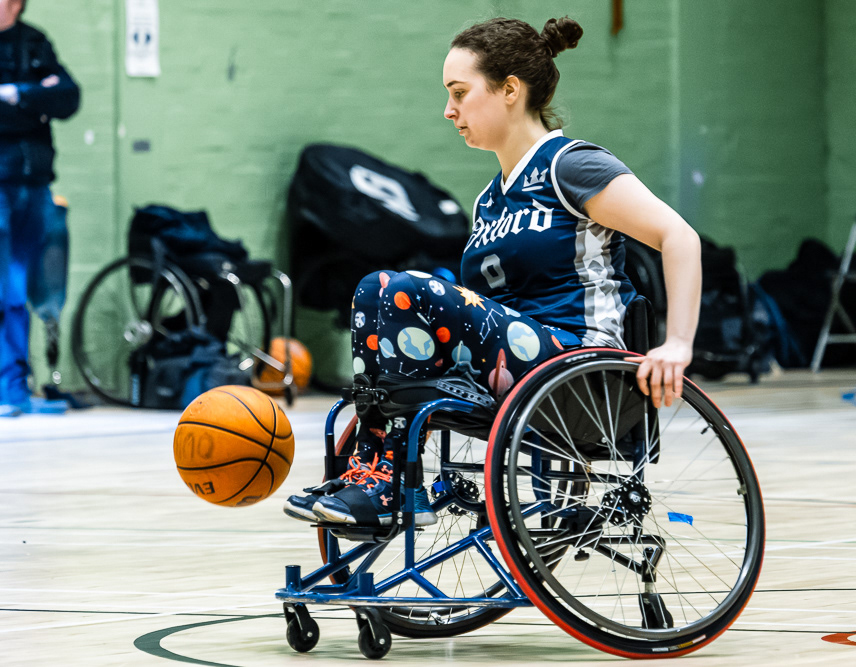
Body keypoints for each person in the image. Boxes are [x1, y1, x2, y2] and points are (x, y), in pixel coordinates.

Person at [285, 16, 701, 527]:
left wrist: (677, 343)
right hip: (519, 370)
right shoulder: (490, 199)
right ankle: (376, 472)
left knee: (389, 288)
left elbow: (679, 237)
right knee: (379, 299)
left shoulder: (570, 166)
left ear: (509, 90)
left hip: (580, 368)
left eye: (460, 93)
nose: (448, 110)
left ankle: (386, 485)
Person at [0, 0, 80, 417]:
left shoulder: (34, 44)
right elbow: (44, 102)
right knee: (6, 287)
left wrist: (18, 94)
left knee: (30, 286)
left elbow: (67, 97)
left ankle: (18, 384)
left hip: (34, 183)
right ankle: (8, 387)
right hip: (0, 184)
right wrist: (36, 99)